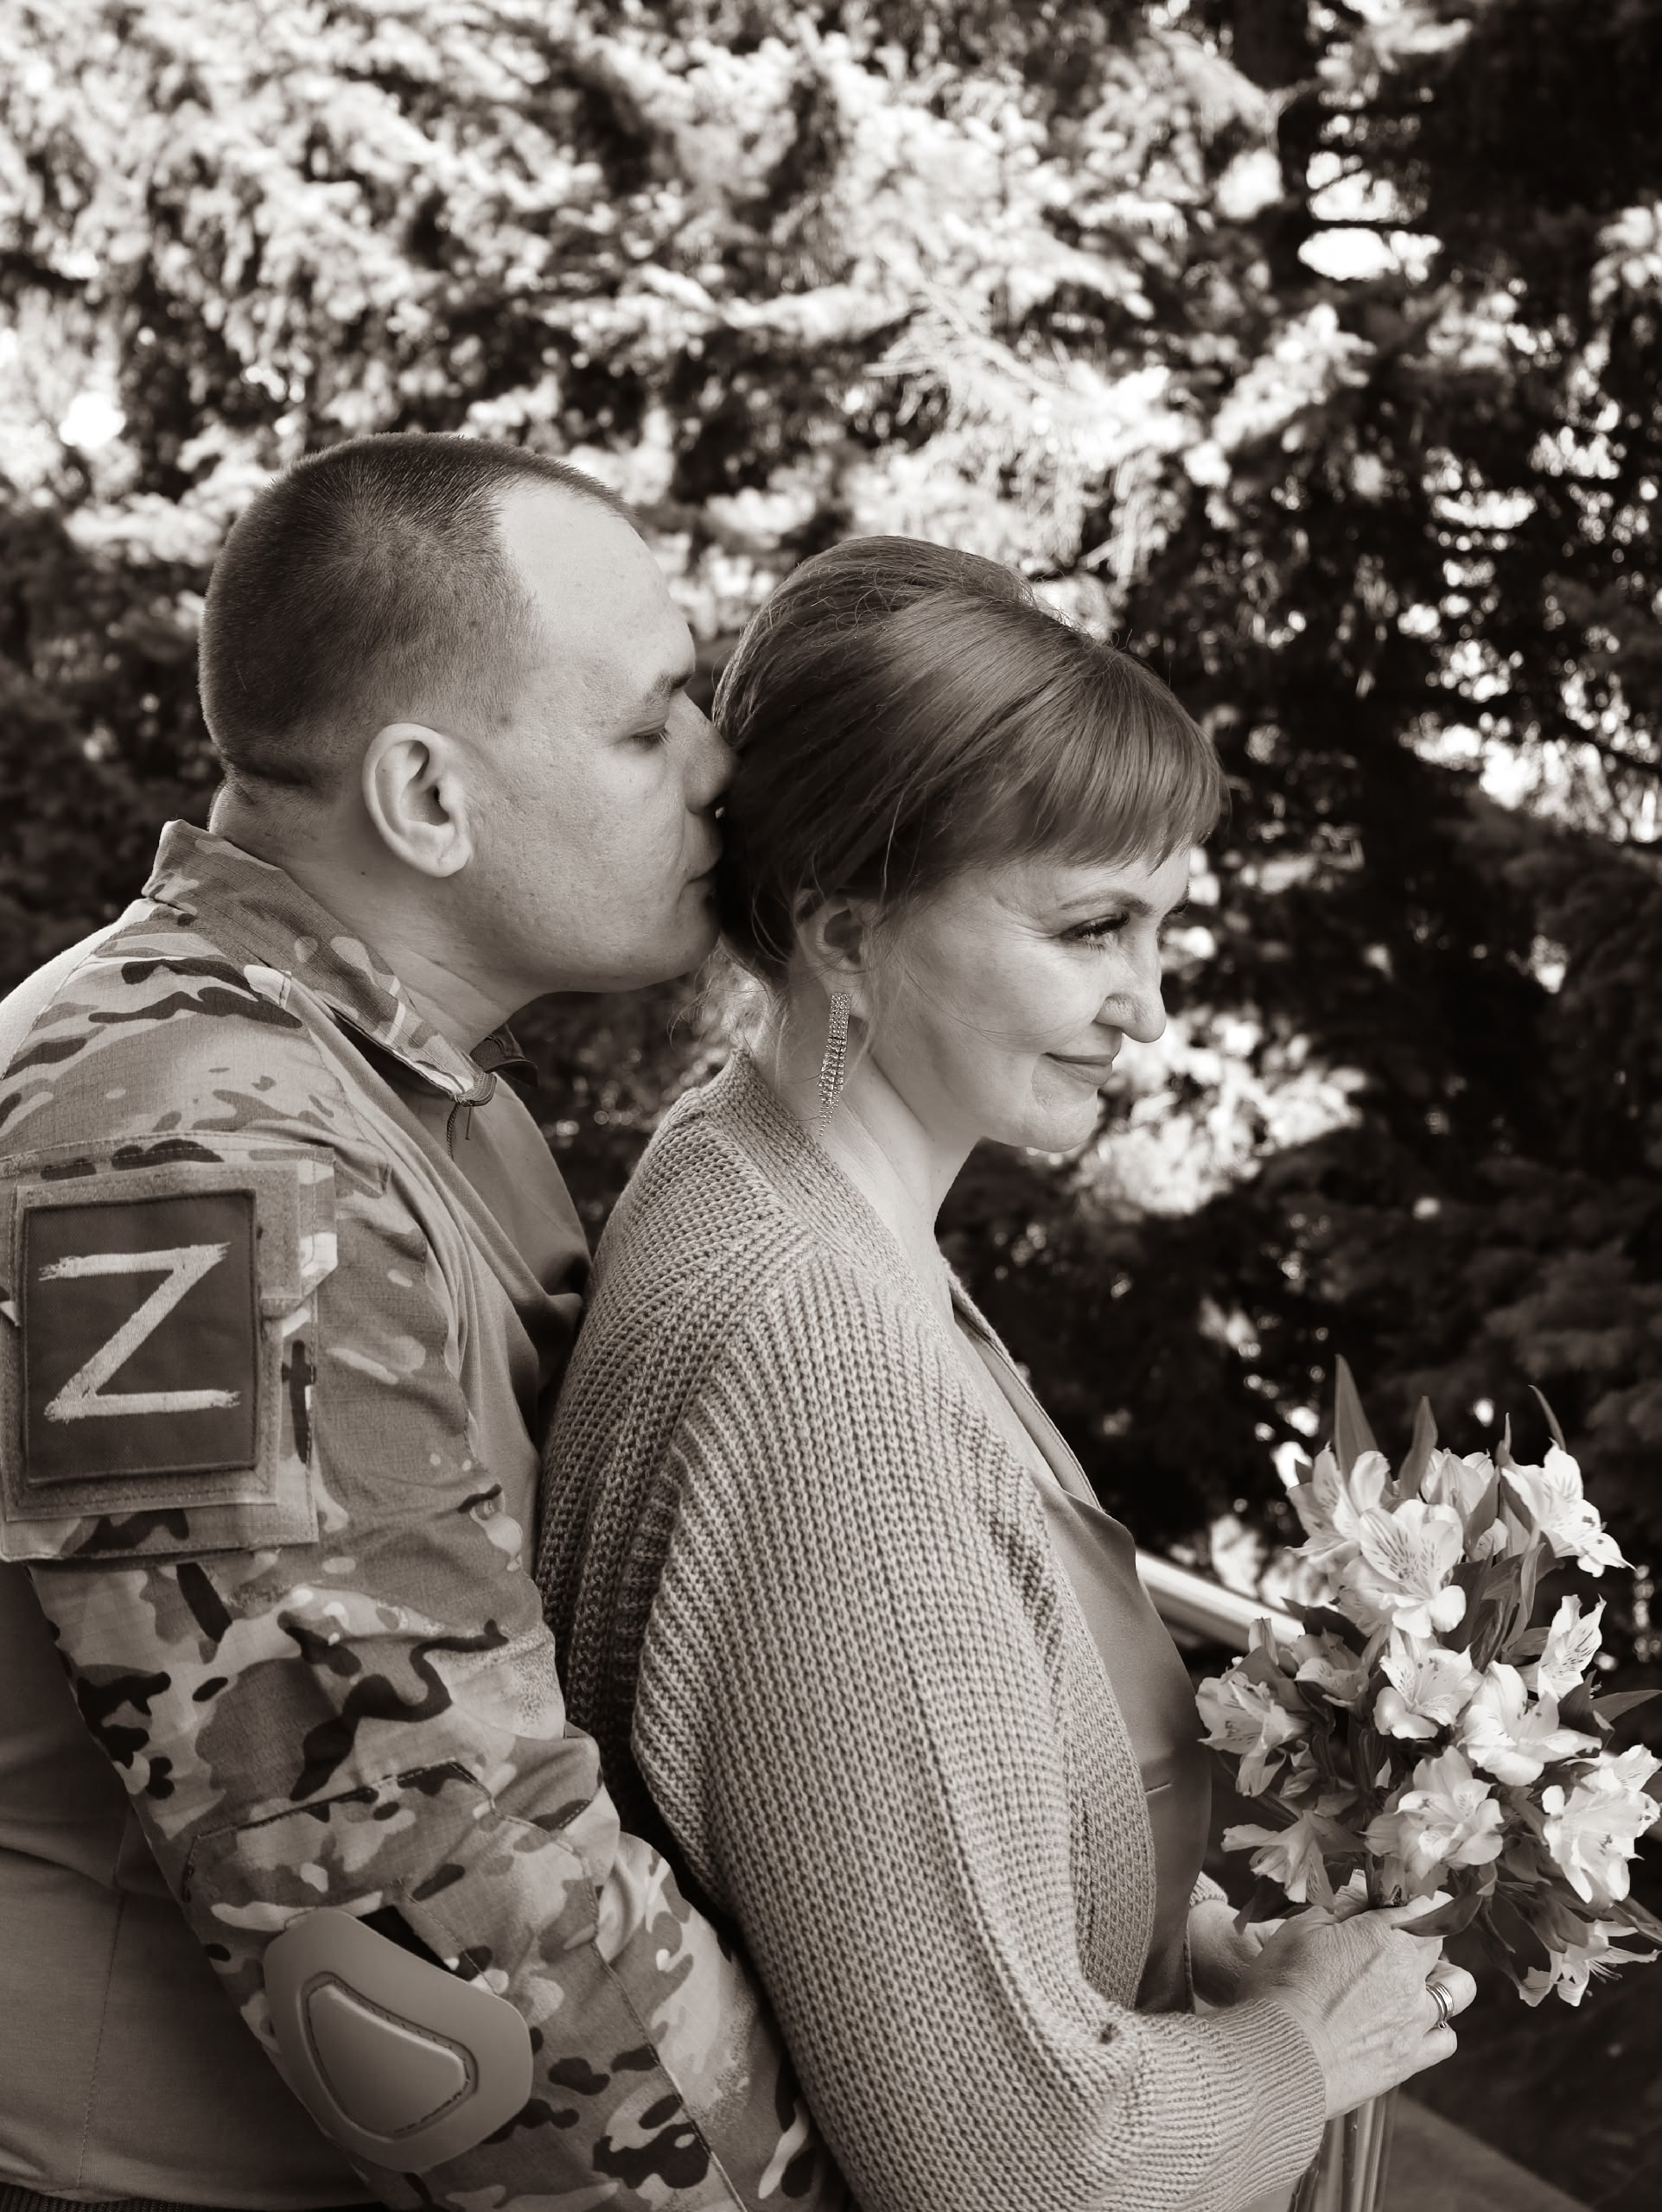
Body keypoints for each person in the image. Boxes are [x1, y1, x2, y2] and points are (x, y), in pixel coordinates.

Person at [540, 537, 1478, 2212]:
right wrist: (1304, 2048)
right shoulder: (821, 1366)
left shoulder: (763, 1168)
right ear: (845, 930)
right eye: (1091, 927)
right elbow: (1009, 2162)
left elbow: (884, 1851)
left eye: (1161, 927)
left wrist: (1187, 1933)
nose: (1150, 1007)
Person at [0, 436, 845, 2212]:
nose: (719, 769)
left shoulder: (382, 1092)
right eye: (649, 725)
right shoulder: (203, 1149)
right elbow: (430, 1889)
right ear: (426, 797)